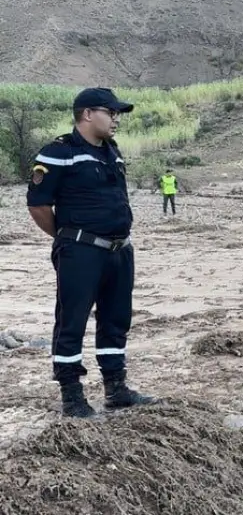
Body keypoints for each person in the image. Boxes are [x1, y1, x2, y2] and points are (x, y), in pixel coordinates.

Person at [25, 87, 156, 418]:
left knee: (115, 320)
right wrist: (70, 238)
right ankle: (72, 394)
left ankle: (116, 388)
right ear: (86, 114)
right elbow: (38, 205)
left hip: (119, 251)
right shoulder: (59, 151)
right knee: (72, 321)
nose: (115, 120)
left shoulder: (112, 151)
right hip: (81, 252)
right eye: (109, 113)